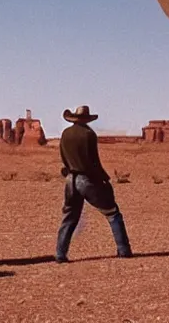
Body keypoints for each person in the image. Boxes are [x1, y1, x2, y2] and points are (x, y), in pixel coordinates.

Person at [55, 105, 132, 261]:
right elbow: (93, 162)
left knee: (70, 217)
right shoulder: (89, 134)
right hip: (86, 179)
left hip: (70, 179)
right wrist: (104, 179)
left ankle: (60, 254)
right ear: (87, 119)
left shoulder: (65, 134)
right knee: (112, 212)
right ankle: (123, 250)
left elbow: (63, 157)